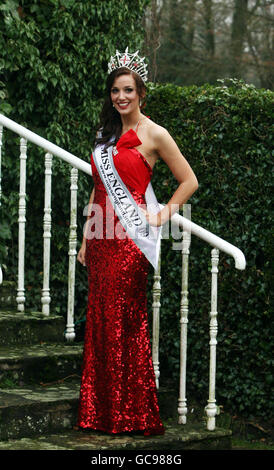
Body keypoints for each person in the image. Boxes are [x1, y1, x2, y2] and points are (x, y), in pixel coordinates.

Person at [76, 48, 198, 436]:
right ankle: (100, 413)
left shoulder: (155, 133)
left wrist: (161, 215)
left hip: (130, 241)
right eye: (115, 91)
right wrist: (84, 239)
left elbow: (189, 181)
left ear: (141, 93)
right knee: (99, 324)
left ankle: (132, 413)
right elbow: (98, 190)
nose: (121, 97)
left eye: (128, 90)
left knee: (125, 324)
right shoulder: (103, 136)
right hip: (100, 239)